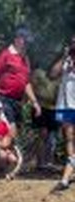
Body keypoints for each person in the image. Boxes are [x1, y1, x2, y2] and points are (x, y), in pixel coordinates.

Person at [0, 28, 41, 125]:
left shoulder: (25, 59)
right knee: (11, 129)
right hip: (4, 99)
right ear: (17, 40)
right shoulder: (6, 54)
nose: (27, 44)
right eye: (24, 40)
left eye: (28, 42)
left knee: (16, 130)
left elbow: (26, 82)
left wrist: (34, 102)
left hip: (17, 101)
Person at [50, 34, 75, 193]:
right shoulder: (66, 61)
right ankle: (71, 164)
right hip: (66, 105)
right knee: (69, 138)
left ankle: (68, 172)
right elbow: (53, 74)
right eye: (73, 42)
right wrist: (65, 56)